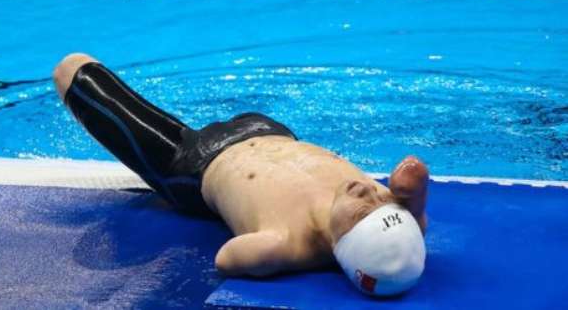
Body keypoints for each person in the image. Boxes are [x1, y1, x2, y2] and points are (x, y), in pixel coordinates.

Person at [52, 53, 429, 296]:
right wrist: (411, 200)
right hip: (267, 130)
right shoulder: (389, 216)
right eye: (381, 200)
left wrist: (286, 256)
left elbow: (226, 260)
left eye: (363, 212)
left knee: (72, 71)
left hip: (190, 164)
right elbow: (411, 207)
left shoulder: (287, 244)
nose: (368, 192)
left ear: (340, 247)